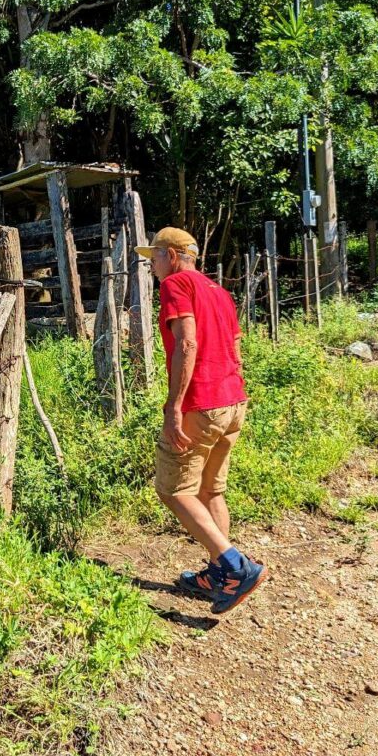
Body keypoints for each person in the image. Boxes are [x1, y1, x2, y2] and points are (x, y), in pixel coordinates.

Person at [135, 227, 267, 615]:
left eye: (154, 257)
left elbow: (188, 343)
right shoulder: (220, 292)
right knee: (211, 491)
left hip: (201, 403)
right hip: (232, 401)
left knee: (173, 489)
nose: (152, 266)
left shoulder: (176, 285)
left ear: (173, 256)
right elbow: (236, 348)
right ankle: (217, 575)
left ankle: (235, 567)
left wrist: (175, 405)